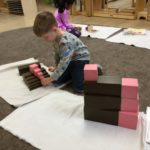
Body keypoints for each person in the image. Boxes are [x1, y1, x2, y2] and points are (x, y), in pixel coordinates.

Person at [33, 11, 90, 93]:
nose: (45, 40)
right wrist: (56, 67)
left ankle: (90, 70)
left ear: (54, 29)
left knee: (79, 88)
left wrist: (51, 78)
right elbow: (57, 54)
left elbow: (63, 62)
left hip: (81, 59)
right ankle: (73, 73)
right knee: (57, 81)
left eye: (46, 37)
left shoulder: (65, 42)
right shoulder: (55, 37)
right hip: (69, 59)